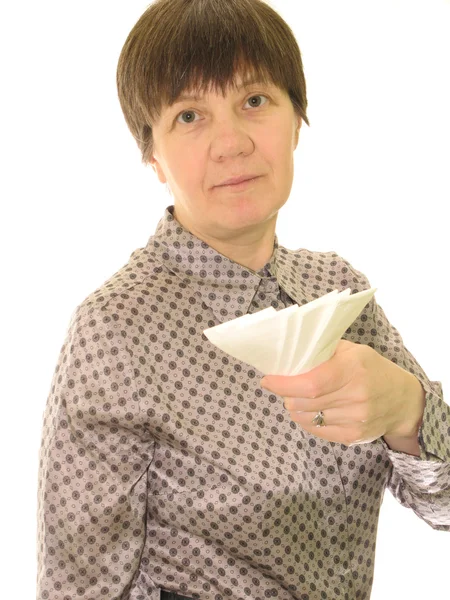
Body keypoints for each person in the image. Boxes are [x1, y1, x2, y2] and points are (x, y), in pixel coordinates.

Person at [36, 1, 450, 599]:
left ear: (296, 119)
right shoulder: (117, 329)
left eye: (254, 101)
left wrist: (406, 410)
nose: (230, 143)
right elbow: (79, 586)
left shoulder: (338, 290)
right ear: (152, 154)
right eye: (189, 116)